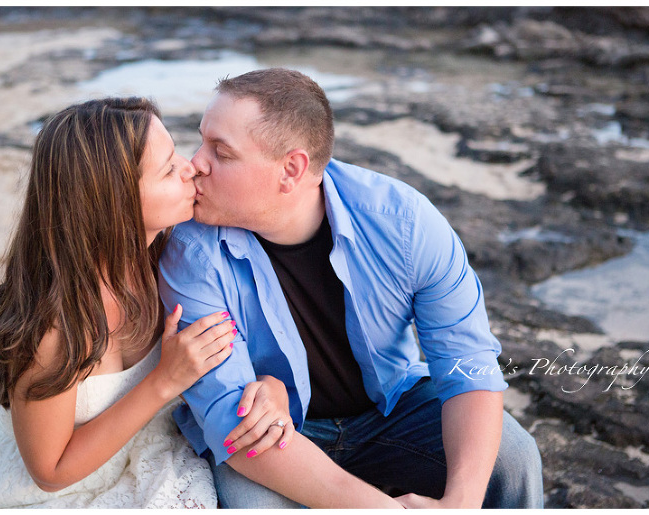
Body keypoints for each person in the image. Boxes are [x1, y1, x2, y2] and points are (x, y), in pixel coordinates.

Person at [158, 68, 544, 508]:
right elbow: (232, 422)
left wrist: (460, 503)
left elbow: (468, 365)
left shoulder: (404, 224)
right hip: (279, 433)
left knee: (512, 457)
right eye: (201, 140)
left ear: (291, 170)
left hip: (390, 411)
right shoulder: (190, 252)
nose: (195, 163)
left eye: (221, 153)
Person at [0, 97, 293, 508]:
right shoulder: (55, 325)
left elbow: (248, 351)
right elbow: (49, 472)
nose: (191, 167)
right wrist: (163, 382)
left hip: (149, 454)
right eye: (169, 169)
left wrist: (273, 388)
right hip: (57, 489)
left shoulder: (170, 265)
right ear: (113, 201)